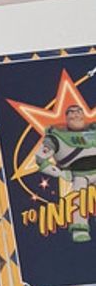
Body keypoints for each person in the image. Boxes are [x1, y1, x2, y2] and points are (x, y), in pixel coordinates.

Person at [37, 104, 96, 243]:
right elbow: (40, 159)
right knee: (79, 199)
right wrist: (61, 174)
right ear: (66, 117)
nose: (76, 115)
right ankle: (80, 229)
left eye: (79, 112)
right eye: (72, 112)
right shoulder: (56, 137)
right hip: (79, 175)